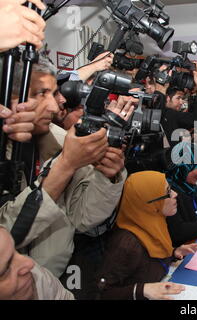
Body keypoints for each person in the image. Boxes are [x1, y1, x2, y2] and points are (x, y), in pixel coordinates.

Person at [0, 57, 126, 278]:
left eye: (54, 92)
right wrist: (66, 165)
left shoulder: (64, 141)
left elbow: (83, 218)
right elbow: (8, 234)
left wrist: (108, 177)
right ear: (6, 99)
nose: (55, 104)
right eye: (40, 94)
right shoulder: (67, 151)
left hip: (52, 279)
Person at [96, 171, 197, 300]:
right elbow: (102, 294)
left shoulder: (155, 223)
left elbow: (150, 259)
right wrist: (142, 289)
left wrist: (173, 253)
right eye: (168, 192)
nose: (175, 194)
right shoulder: (125, 244)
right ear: (149, 203)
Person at [0, 226, 74, 300]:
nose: (30, 263)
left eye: (15, 250)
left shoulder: (37, 277)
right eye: (7, 268)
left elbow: (63, 296)